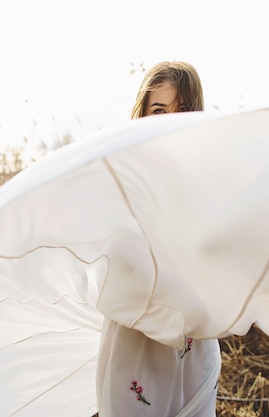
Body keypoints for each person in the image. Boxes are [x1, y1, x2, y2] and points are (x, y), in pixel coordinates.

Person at [96, 61, 220, 417]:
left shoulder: (206, 176)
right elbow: (112, 246)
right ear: (144, 113)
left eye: (180, 111)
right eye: (159, 110)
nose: (168, 121)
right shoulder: (124, 172)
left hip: (190, 336)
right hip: (135, 330)